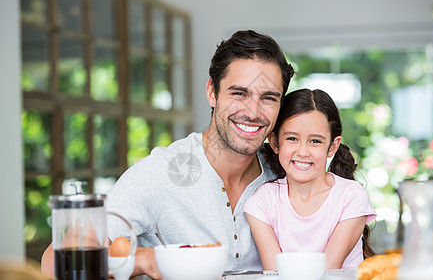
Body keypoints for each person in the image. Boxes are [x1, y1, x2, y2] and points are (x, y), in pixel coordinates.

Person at [40, 30, 294, 279]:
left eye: (269, 98)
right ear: (212, 92)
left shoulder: (284, 174)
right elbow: (57, 260)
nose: (253, 111)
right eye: (239, 93)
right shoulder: (164, 172)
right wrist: (145, 259)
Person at [244, 88, 376, 271]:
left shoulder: (351, 196)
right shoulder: (262, 201)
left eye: (315, 141)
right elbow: (274, 274)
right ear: (275, 142)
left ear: (332, 146)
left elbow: (328, 271)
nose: (303, 152)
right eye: (292, 138)